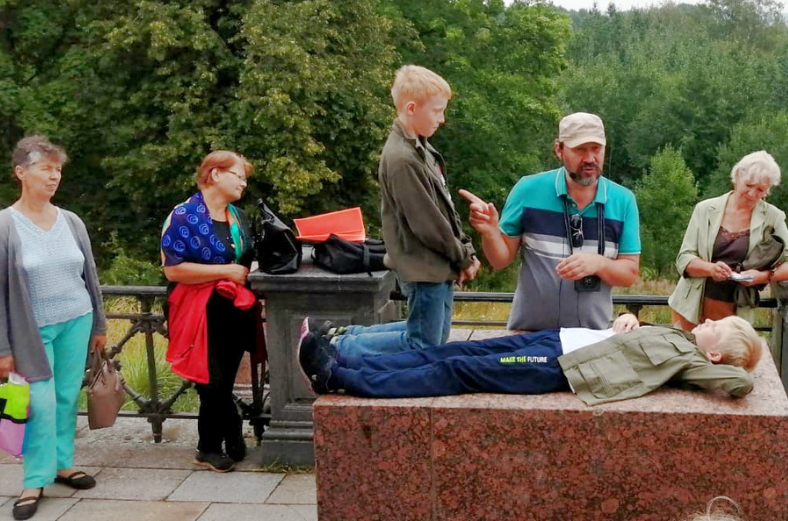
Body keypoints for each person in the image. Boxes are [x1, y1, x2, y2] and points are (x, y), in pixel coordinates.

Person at [327, 65, 480, 358]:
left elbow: (445, 206)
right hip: (423, 266)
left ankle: (344, 335)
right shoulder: (402, 158)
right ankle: (337, 346)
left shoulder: (421, 147)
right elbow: (428, 224)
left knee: (431, 334)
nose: (442, 119)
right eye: (437, 111)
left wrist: (466, 252)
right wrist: (461, 256)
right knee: (423, 343)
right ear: (412, 108)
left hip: (437, 264)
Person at [298, 313, 762, 404]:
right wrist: (627, 316)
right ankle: (347, 361)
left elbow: (738, 385)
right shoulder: (679, 339)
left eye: (714, 328)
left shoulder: (694, 362)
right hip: (557, 340)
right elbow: (632, 334)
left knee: (457, 371)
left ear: (715, 352)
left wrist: (733, 364)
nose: (705, 322)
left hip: (558, 370)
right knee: (455, 350)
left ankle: (340, 380)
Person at [0, 136, 108, 520]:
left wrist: (98, 322)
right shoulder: (5, 226)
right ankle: (35, 479)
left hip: (76, 320)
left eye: (57, 169)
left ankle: (62, 465)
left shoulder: (71, 221)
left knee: (65, 399)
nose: (54, 176)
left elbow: (89, 276)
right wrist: (2, 348)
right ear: (20, 172)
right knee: (39, 405)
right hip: (30, 331)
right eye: (45, 168)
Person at [458, 112, 640, 331]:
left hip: (592, 339)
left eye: (596, 149)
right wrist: (490, 232)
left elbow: (629, 273)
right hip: (527, 334)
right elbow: (500, 260)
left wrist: (598, 263)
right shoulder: (527, 190)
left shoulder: (623, 200)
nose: (590, 158)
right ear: (559, 150)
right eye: (580, 150)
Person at [161, 151, 265, 473]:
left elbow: (246, 262)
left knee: (224, 378)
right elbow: (173, 271)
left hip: (234, 307)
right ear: (215, 174)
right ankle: (212, 443)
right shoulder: (182, 215)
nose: (244, 183)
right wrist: (224, 273)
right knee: (211, 380)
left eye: (245, 178)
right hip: (197, 308)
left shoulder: (239, 217)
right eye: (238, 175)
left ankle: (219, 439)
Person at [668, 151, 788, 330]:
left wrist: (762, 277)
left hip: (735, 314)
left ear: (767, 190)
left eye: (760, 189)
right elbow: (684, 258)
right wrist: (711, 269)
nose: (752, 194)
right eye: (748, 185)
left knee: (727, 357)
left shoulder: (773, 217)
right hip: (689, 308)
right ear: (736, 177)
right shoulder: (705, 209)